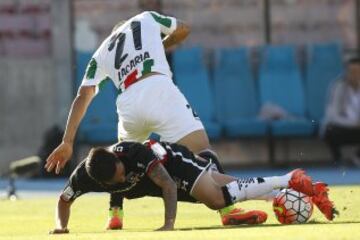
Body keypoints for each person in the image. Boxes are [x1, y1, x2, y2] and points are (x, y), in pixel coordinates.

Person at [44, 11, 245, 229]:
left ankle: (115, 214)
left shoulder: (102, 51)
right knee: (203, 155)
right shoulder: (146, 18)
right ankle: (228, 210)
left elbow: (83, 95)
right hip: (159, 91)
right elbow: (184, 29)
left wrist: (67, 141)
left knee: (120, 156)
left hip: (129, 104)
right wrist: (161, 45)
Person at [49, 140, 337, 233]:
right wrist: (62, 227)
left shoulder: (134, 153)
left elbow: (167, 185)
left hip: (174, 164)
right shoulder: (83, 178)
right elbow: (64, 199)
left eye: (122, 173)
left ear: (116, 158)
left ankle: (290, 178)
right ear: (100, 183)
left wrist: (168, 225)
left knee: (215, 199)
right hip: (165, 179)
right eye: (117, 182)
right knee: (233, 186)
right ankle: (298, 190)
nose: (123, 180)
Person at [322, 57, 360, 166]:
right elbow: (331, 116)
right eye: (352, 72)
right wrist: (354, 123)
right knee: (329, 130)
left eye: (358, 72)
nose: (355, 75)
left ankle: (357, 157)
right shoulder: (337, 87)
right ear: (346, 73)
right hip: (342, 127)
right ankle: (337, 159)